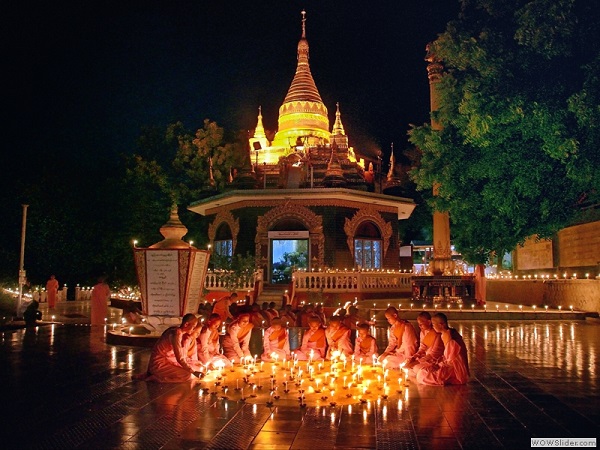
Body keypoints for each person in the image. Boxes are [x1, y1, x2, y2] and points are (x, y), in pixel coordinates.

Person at [136, 314, 204, 383]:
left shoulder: (178, 332)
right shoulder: (176, 334)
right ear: (186, 324)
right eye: (193, 327)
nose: (193, 330)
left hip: (167, 361)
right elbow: (180, 358)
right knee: (187, 375)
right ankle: (157, 378)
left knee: (193, 370)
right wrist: (193, 372)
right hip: (159, 364)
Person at [417, 313, 469, 385]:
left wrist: (439, 365)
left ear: (441, 324)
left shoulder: (449, 336)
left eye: (434, 324)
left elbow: (451, 361)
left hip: (454, 369)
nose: (433, 326)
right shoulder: (444, 334)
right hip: (446, 363)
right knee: (422, 371)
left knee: (422, 375)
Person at [406, 311, 444, 375]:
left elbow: (433, 355)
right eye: (418, 324)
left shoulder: (437, 334)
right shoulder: (422, 333)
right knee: (408, 362)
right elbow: (422, 348)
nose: (419, 326)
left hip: (434, 360)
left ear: (429, 322)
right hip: (425, 358)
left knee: (416, 368)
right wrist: (414, 357)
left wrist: (416, 362)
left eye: (421, 324)